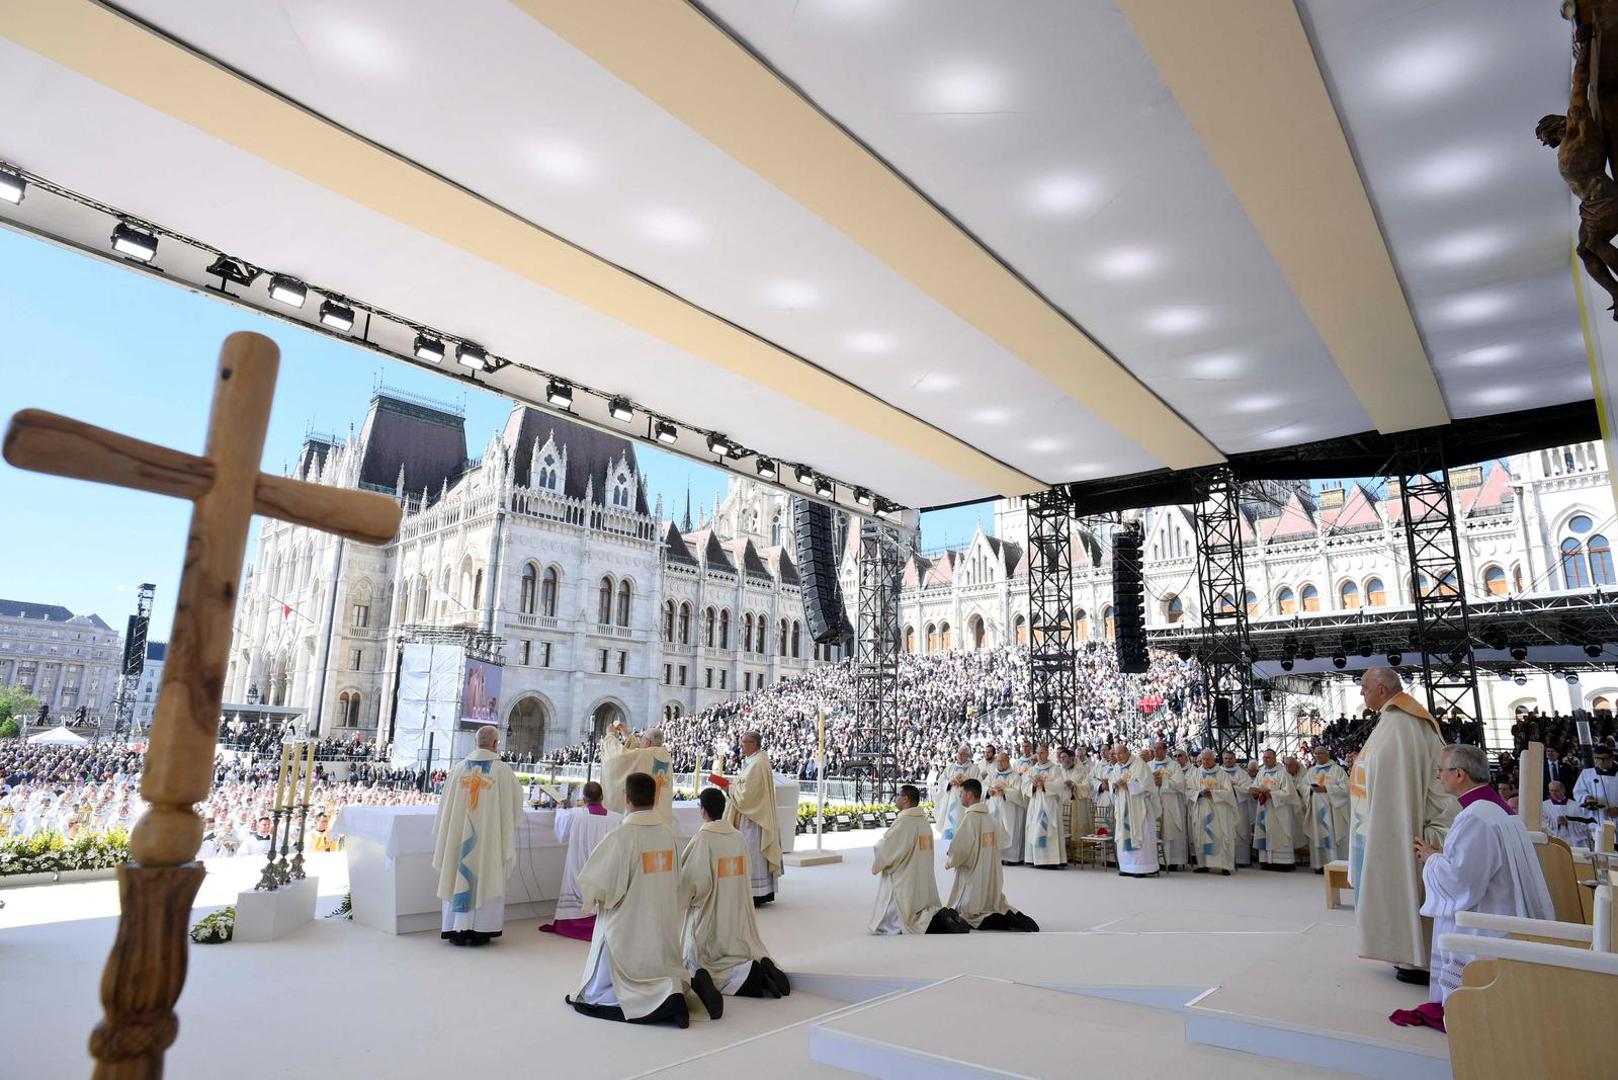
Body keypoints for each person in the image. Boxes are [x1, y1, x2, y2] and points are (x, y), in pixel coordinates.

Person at [1390, 744, 1553, 1033]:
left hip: (1485, 918)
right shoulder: (1493, 809)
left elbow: (1461, 883)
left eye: (1441, 770)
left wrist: (1431, 858)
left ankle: (1464, 1005)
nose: (1439, 776)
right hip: (1503, 906)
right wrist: (1444, 855)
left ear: (1460, 773)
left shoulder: (1474, 817)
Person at [567, 771, 720, 1027]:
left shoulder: (622, 836)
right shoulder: (667, 834)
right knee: (659, 966)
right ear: (654, 798)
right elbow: (677, 879)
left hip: (629, 930)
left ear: (627, 798)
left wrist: (593, 898)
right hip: (661, 926)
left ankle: (664, 999)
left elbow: (598, 884)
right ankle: (672, 987)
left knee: (594, 995)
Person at [1350, 668, 1457, 983]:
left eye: (1365, 686)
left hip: (1403, 827)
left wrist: (1390, 833)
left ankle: (1418, 957)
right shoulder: (1395, 721)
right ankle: (1408, 955)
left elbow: (1399, 790)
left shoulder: (1401, 725)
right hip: (1393, 823)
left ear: (1382, 689)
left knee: (1408, 885)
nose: (1361, 693)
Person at [679, 787, 790, 999]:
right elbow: (747, 871)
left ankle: (751, 977)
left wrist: (681, 899)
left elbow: (693, 882)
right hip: (738, 915)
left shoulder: (703, 839)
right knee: (741, 949)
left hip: (712, 917)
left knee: (698, 962)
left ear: (703, 811)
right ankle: (761, 966)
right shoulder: (737, 837)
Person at [431, 725, 524, 947]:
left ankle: (457, 928)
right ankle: (481, 929)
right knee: (487, 869)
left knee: (458, 866)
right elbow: (515, 807)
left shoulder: (458, 769)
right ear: (495, 743)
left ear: (476, 743)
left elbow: (444, 809)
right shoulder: (503, 772)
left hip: (459, 839)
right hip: (489, 842)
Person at [870, 784, 968, 935]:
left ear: (905, 799)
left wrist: (878, 847)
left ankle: (937, 923)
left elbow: (888, 847)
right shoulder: (923, 822)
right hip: (920, 873)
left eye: (898, 796)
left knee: (897, 917)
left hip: (905, 876)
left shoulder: (905, 822)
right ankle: (942, 921)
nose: (895, 799)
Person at [944, 780, 1037, 932]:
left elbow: (960, 848)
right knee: (992, 902)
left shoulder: (970, 818)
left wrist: (950, 860)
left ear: (969, 795)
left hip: (974, 872)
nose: (959, 797)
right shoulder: (991, 818)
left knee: (969, 913)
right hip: (991, 869)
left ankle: (1001, 921)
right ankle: (1013, 915)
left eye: (961, 794)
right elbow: (1005, 840)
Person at [542, 781, 621, 940]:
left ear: (584, 798)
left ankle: (571, 924)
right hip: (603, 872)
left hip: (578, 868)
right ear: (602, 797)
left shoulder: (574, 815)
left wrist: (559, 809)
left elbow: (561, 834)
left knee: (577, 882)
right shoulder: (617, 819)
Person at [721, 730, 782, 906]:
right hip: (752, 814)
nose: (741, 746)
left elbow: (747, 796)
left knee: (751, 851)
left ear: (754, 744)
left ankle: (756, 893)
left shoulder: (758, 764)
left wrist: (729, 788)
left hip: (753, 817)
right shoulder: (755, 761)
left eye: (744, 743)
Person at [1106, 743, 1159, 877]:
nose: (1117, 757)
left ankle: (1143, 868)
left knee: (1142, 834)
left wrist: (1129, 786)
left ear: (1127, 752)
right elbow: (1111, 783)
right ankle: (1126, 867)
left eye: (1120, 753)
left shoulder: (1139, 764)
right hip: (1123, 805)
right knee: (1124, 834)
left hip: (1138, 806)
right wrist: (1114, 786)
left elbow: (1147, 784)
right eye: (1115, 754)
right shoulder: (1117, 767)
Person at [1186, 749, 1237, 875]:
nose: (1206, 761)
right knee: (1202, 835)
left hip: (1219, 810)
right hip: (1202, 808)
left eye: (1208, 759)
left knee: (1221, 835)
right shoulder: (1196, 773)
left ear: (1214, 759)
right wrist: (1199, 793)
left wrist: (1213, 793)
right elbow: (1188, 789)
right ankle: (1203, 864)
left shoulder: (1222, 774)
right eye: (1203, 759)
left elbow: (1229, 793)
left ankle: (1225, 866)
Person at [1303, 746, 1350, 872]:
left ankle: (1336, 866)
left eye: (1321, 753)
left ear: (1327, 755)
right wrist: (1310, 789)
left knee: (1331, 835)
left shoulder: (1337, 770)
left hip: (1332, 809)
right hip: (1316, 809)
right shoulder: (1311, 771)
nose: (1318, 756)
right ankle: (1320, 865)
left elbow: (1346, 788)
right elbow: (1303, 787)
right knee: (1318, 834)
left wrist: (1327, 789)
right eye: (1316, 754)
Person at [1250, 749, 1298, 872]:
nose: (1266, 759)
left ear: (1275, 758)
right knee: (1265, 831)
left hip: (1278, 809)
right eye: (1264, 757)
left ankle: (1283, 862)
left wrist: (1271, 794)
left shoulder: (1283, 773)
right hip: (1263, 807)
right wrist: (1255, 792)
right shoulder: (1261, 772)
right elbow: (1255, 786)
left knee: (1280, 832)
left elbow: (1289, 793)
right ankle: (1266, 861)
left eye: (1268, 757)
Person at [1021, 744, 1068, 868]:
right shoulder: (1032, 769)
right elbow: (1024, 786)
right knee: (1034, 827)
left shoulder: (1055, 769)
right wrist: (1034, 786)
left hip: (1049, 803)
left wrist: (1045, 784)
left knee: (1049, 829)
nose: (1040, 755)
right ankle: (1037, 859)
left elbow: (1059, 785)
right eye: (1038, 753)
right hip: (1036, 803)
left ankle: (1051, 859)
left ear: (1047, 754)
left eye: (1042, 753)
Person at [1149, 742, 1188, 870]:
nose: (1157, 751)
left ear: (1165, 750)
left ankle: (1172, 861)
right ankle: (1155, 860)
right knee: (1154, 830)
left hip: (1170, 803)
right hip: (1153, 803)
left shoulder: (1174, 765)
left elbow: (1181, 784)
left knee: (1170, 830)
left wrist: (1164, 782)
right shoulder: (1148, 765)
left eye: (1159, 748)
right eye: (1155, 749)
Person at [983, 751, 1027, 865]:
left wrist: (1005, 791)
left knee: (1008, 829)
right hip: (993, 807)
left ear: (1007, 761)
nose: (1000, 763)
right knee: (994, 829)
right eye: (998, 761)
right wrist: (988, 790)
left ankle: (1009, 857)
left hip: (1009, 809)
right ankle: (994, 854)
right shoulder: (992, 774)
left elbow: (1018, 793)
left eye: (1003, 761)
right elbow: (984, 786)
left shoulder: (1014, 776)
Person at [932, 745, 977, 841]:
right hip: (950, 802)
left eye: (964, 754)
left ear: (968, 756)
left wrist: (966, 782)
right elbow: (941, 781)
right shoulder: (950, 768)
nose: (961, 755)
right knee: (950, 825)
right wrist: (949, 782)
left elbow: (979, 785)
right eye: (959, 753)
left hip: (965, 804)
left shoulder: (974, 769)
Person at [1572, 745, 1617, 833]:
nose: (1600, 762)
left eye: (1604, 758)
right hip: (1597, 818)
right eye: (1597, 758)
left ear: (1612, 758)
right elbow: (1578, 791)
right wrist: (1587, 798)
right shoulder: (1587, 773)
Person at [1223, 750, 1254, 868]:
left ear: (1235, 759)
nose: (1228, 760)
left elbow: (1248, 789)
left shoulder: (1242, 774)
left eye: (1230, 758)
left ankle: (1242, 859)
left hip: (1239, 806)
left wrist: (1234, 787)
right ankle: (1227, 858)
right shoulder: (1219, 772)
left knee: (1241, 831)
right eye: (1226, 758)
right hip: (1225, 806)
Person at [1542, 780, 1595, 849]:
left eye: (1556, 790)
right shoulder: (1544, 806)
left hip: (1574, 843)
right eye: (1551, 790)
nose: (1554, 793)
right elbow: (1542, 823)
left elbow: (1585, 825)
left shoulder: (1576, 806)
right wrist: (1556, 822)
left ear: (1563, 790)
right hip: (1555, 842)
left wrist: (1569, 821)